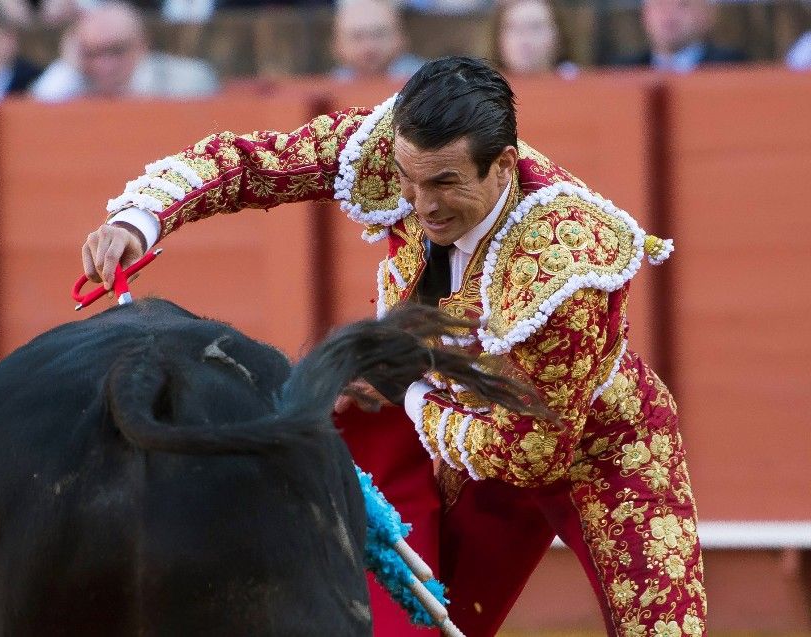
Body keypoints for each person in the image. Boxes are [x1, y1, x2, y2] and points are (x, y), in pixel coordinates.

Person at [80, 56, 707, 636]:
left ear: (505, 168)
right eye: (409, 180)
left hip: (601, 448)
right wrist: (141, 217)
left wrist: (401, 385)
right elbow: (254, 163)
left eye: (444, 183)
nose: (423, 205)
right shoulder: (395, 149)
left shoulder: (564, 260)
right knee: (418, 627)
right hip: (465, 439)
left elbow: (532, 453)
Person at [30, 0, 219, 102]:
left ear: (142, 45)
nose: (104, 64)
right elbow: (37, 112)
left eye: (116, 50)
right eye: (92, 53)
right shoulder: (73, 80)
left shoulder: (188, 80)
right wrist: (69, 67)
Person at [611, 0, 746, 71]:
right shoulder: (622, 72)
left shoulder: (733, 68)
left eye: (682, 4)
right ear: (645, 14)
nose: (669, 14)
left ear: (708, 14)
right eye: (660, 3)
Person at [332, 0, 425, 82]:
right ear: (337, 44)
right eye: (357, 37)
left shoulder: (428, 81)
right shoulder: (332, 85)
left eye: (379, 34)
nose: (369, 47)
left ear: (401, 38)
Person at [490, 0, 577, 77]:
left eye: (535, 27)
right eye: (513, 27)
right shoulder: (482, 90)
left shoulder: (576, 83)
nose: (524, 36)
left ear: (558, 35)